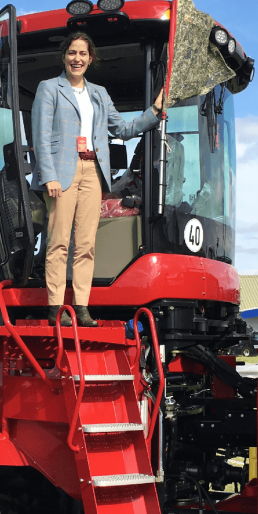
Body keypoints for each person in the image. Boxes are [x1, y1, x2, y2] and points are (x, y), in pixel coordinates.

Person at [31, 32, 163, 327]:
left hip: (93, 172)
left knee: (87, 244)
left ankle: (81, 307)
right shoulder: (49, 88)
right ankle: (55, 308)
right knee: (58, 242)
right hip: (62, 173)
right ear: (64, 56)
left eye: (83, 54)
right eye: (72, 53)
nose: (77, 59)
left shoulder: (99, 94)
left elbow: (124, 129)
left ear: (91, 59)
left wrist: (155, 111)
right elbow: (40, 136)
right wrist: (49, 175)